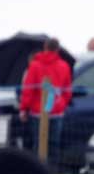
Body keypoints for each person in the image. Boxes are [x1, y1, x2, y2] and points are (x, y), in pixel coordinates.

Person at [19, 37, 72, 165]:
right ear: (58, 49)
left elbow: (28, 89)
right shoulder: (64, 66)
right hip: (56, 110)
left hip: (37, 111)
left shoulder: (35, 65)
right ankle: (53, 172)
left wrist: (24, 108)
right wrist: (63, 104)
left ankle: (39, 170)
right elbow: (67, 90)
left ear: (45, 48)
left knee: (38, 143)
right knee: (54, 144)